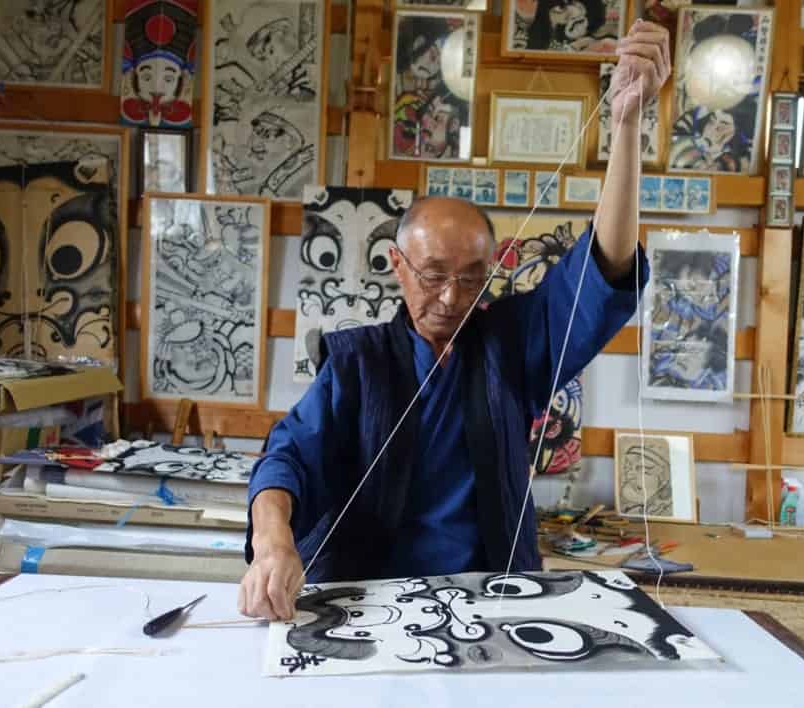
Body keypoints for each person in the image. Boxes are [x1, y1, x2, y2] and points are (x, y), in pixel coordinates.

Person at [238, 20, 671, 620]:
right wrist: (273, 544)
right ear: (397, 265)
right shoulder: (357, 362)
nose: (449, 296)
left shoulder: (512, 344)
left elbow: (607, 263)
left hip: (492, 605)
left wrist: (626, 127)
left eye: (472, 277)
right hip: (368, 605)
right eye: (433, 274)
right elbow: (285, 459)